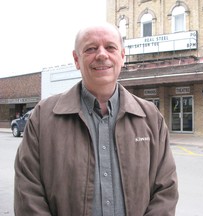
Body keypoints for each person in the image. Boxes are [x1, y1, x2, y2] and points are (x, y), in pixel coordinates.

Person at [14, 22, 178, 216]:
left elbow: (166, 191)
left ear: (122, 56)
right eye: (91, 49)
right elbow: (28, 193)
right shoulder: (43, 117)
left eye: (110, 47)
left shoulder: (150, 117)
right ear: (76, 59)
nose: (102, 54)